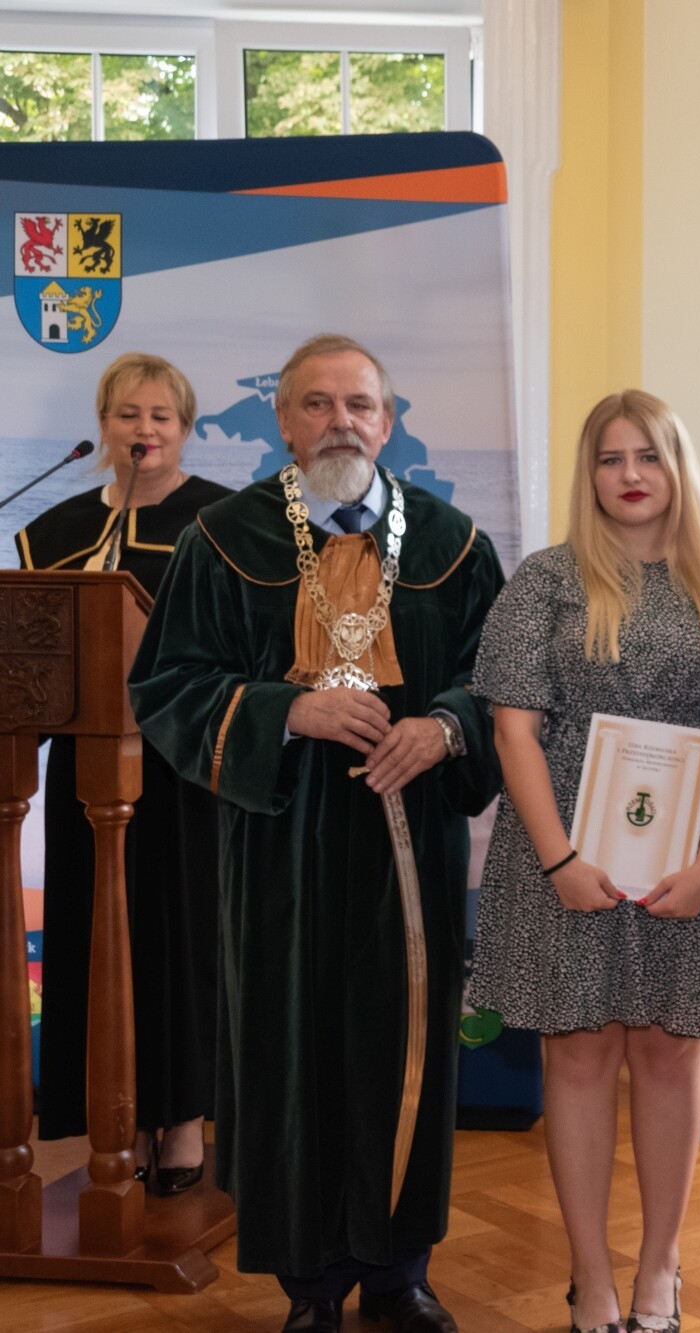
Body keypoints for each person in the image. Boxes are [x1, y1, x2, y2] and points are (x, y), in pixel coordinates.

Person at [129, 334, 504, 1333]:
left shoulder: (454, 546)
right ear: (284, 422)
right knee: (288, 1057)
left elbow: (500, 680)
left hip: (409, 846)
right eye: (317, 403)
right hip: (278, 850)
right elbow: (167, 685)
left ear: (388, 421)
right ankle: (310, 1286)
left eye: (360, 404)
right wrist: (284, 710)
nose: (341, 421)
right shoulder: (221, 542)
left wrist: (444, 727)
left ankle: (400, 1273)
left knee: (404, 1048)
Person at [467, 391, 700, 1333]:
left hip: (687, 861)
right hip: (565, 856)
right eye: (610, 458)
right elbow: (512, 730)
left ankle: (661, 1268)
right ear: (588, 474)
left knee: (671, 1051)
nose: (630, 474)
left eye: (648, 455)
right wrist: (559, 857)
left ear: (678, 468)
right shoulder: (545, 581)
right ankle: (591, 1275)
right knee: (582, 1051)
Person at [20, 352, 231, 1193]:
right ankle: (115, 1119)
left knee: (177, 942)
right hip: (88, 773)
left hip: (184, 775)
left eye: (161, 416)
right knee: (96, 941)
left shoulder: (222, 524)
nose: (144, 430)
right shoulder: (58, 531)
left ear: (185, 429)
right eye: (127, 414)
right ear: (102, 425)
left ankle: (181, 1123)